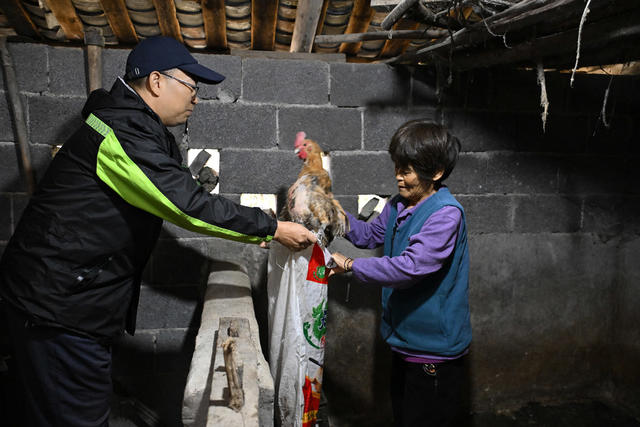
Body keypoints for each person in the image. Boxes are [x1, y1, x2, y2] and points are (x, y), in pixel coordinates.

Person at [0, 36, 315, 426]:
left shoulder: (128, 125)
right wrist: (272, 228)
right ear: (155, 81)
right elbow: (188, 205)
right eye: (191, 86)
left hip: (58, 301)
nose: (196, 98)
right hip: (59, 310)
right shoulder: (121, 132)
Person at [330, 120, 471, 427]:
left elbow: (410, 267)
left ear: (435, 173)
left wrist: (351, 265)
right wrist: (335, 217)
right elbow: (369, 235)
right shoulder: (398, 204)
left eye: (407, 170)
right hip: (404, 340)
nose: (398, 177)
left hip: (433, 347)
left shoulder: (445, 214)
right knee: (404, 416)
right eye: (397, 167)